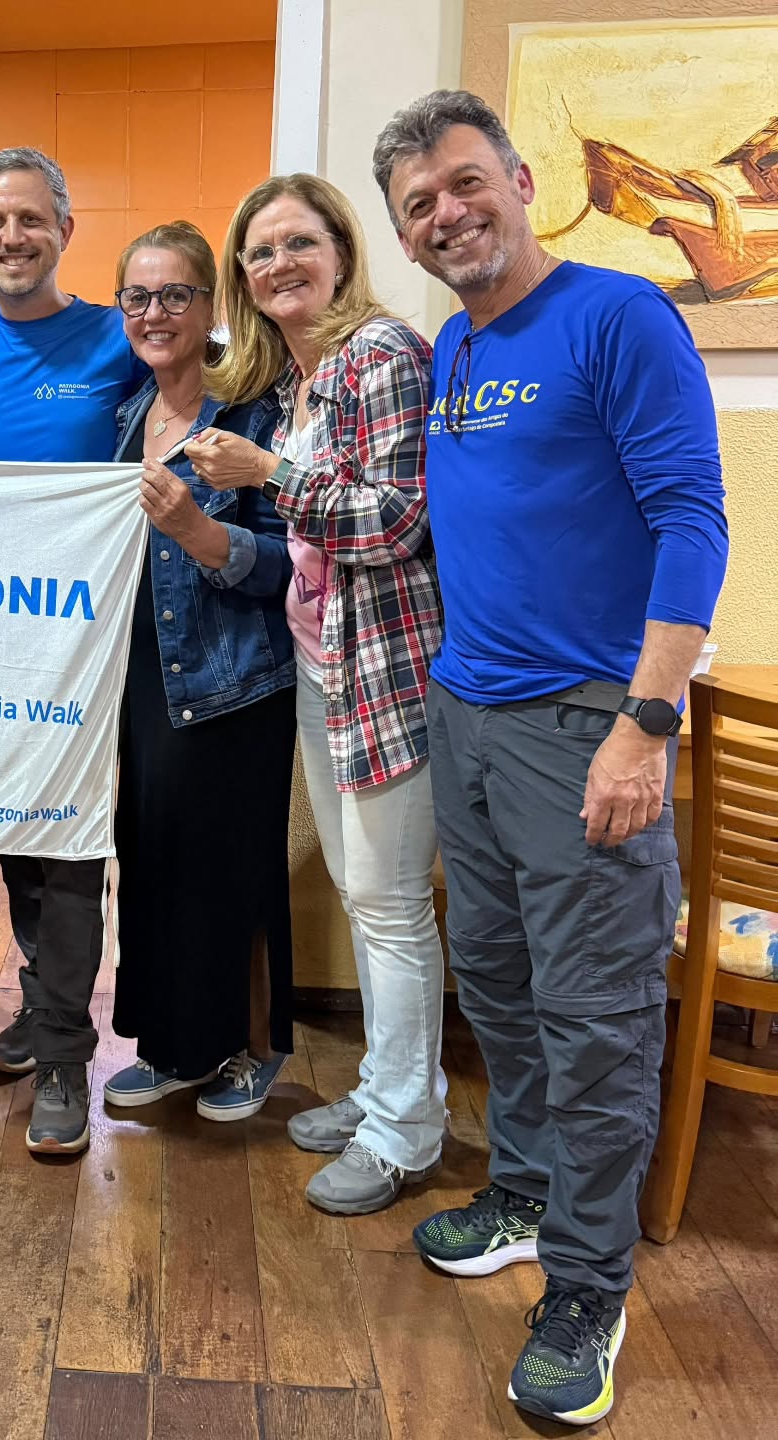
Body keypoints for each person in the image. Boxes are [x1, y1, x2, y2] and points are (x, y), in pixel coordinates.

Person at [373, 90, 727, 1426]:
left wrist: (648, 722)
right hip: (465, 712)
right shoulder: (455, 347)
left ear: (523, 183)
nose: (448, 213)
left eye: (466, 183)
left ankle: (588, 1287)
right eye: (420, 203)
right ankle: (523, 1194)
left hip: (588, 725)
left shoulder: (620, 317)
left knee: (598, 1023)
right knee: (502, 988)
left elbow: (692, 518)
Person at [189, 174, 449, 1215]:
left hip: (384, 668)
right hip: (321, 660)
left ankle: (404, 1133)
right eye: (258, 252)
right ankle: (391, 1091)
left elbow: (395, 521)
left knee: (389, 905)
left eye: (299, 242)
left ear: (342, 251)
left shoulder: (383, 354)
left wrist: (267, 475)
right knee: (365, 895)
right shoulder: (302, 378)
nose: (278, 264)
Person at [0, 146, 148, 1155]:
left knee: (69, 849)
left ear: (65, 229)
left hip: (99, 641)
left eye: (30, 219)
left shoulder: (119, 337)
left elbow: (215, 377)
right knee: (16, 838)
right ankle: (37, 1001)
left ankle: (65, 1058)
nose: (11, 237)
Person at [98, 222, 297, 1122]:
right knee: (155, 859)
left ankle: (252, 1049)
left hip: (235, 674)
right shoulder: (125, 417)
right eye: (137, 297)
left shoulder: (255, 413)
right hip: (144, 672)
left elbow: (290, 563)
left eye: (175, 294)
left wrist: (197, 530)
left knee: (233, 867)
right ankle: (174, 1046)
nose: (155, 313)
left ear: (212, 305)